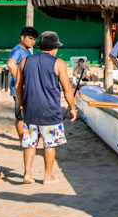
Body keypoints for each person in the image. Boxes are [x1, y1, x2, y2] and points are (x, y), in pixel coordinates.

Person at [14, 31, 77, 185]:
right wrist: (72, 107)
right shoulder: (58, 63)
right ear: (54, 48)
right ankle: (47, 177)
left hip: (30, 109)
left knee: (29, 144)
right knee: (50, 144)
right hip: (50, 111)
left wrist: (22, 106)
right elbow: (67, 89)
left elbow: (18, 87)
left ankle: (27, 173)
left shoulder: (25, 60)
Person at [7, 26, 39, 142]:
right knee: (20, 115)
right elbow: (10, 64)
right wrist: (21, 80)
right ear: (22, 37)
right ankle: (22, 140)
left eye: (34, 39)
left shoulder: (26, 51)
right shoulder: (17, 50)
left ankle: (29, 138)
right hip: (19, 88)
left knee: (28, 114)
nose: (32, 41)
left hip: (27, 87)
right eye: (30, 38)